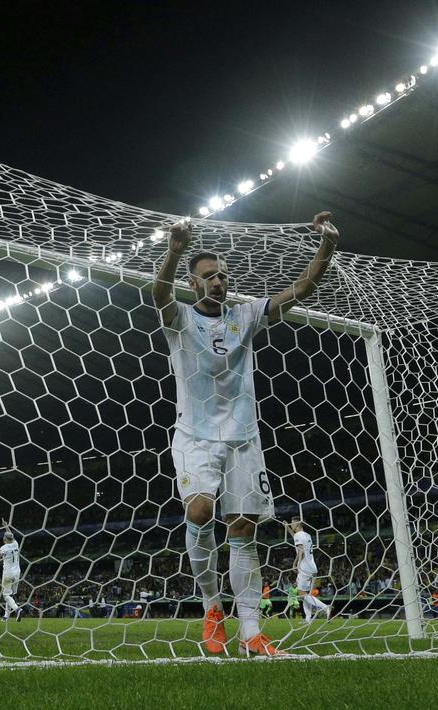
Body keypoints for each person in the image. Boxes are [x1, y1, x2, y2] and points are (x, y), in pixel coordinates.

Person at [154, 212, 341, 656]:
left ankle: (251, 632)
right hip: (195, 436)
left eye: (221, 275)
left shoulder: (245, 316)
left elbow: (301, 290)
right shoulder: (179, 318)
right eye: (208, 276)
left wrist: (326, 247)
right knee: (199, 512)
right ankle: (212, 608)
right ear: (194, 283)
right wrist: (175, 250)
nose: (218, 281)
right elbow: (158, 293)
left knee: (242, 529)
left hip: (244, 438)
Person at [290, 517, 331, 623]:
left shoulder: (298, 536)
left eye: (292, 524)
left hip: (304, 567)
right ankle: (308, 619)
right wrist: (287, 529)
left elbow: (301, 552)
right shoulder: (306, 535)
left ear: (298, 524)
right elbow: (297, 539)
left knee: (301, 593)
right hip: (312, 566)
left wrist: (295, 564)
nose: (291, 525)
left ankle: (325, 607)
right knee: (305, 594)